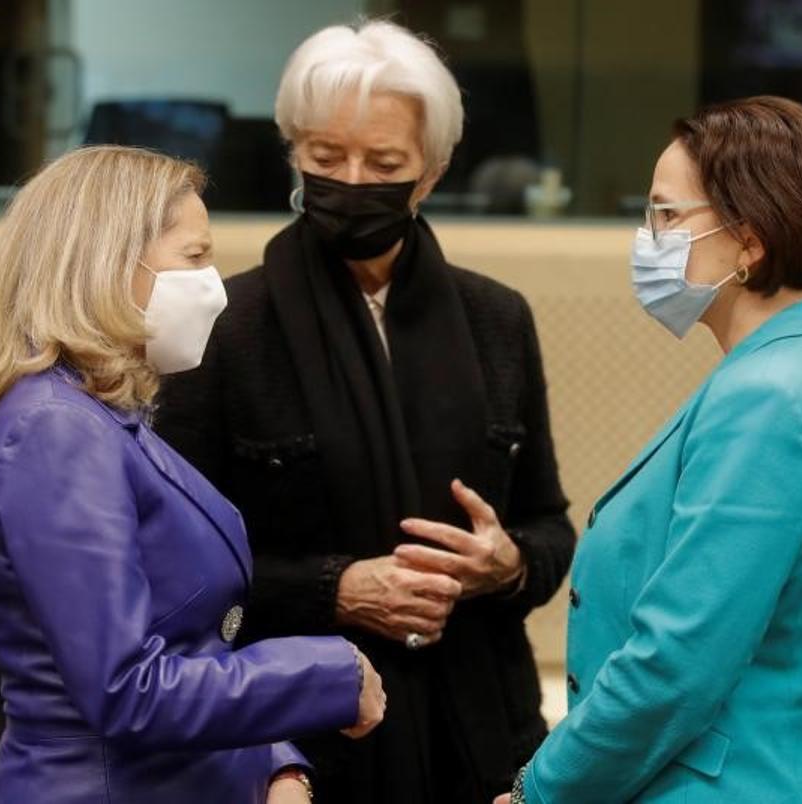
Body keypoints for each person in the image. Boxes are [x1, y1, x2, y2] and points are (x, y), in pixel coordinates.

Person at [154, 20, 576, 804]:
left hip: (486, 738)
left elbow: (550, 529)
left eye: (383, 163)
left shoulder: (498, 321)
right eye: (324, 158)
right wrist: (336, 588)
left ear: (432, 173)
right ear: (292, 155)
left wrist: (505, 564)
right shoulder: (226, 326)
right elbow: (176, 574)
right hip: (299, 750)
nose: (351, 180)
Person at [0, 145, 386, 804]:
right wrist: (329, 672)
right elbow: (126, 691)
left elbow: (190, 644)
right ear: (108, 267)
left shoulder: (99, 416)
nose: (214, 283)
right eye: (195, 258)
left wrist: (274, 761)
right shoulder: (55, 431)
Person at [498, 96, 802, 803]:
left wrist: (541, 788)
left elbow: (676, 663)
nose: (648, 238)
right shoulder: (799, 372)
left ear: (751, 239)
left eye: (668, 216)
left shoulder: (769, 401)